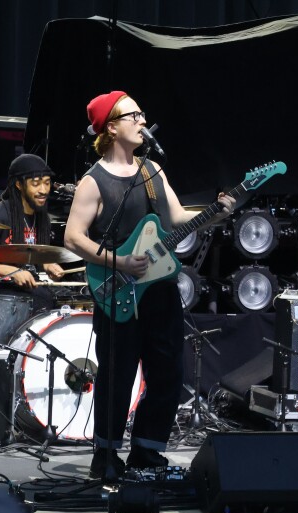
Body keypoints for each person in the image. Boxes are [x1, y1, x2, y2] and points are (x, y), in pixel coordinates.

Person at [63, 91, 234, 480]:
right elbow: (74, 238)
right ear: (111, 127)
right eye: (133, 115)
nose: (142, 121)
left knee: (167, 373)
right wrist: (119, 261)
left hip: (160, 290)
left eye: (142, 114)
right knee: (116, 376)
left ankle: (147, 452)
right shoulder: (94, 181)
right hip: (116, 288)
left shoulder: (152, 171)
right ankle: (105, 456)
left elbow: (175, 217)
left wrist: (216, 212)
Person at [0, 154, 65, 319]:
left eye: (47, 183)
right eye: (36, 184)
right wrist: (11, 271)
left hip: (27, 288)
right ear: (19, 184)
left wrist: (47, 264)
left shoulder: (42, 218)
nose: (43, 190)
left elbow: (32, 254)